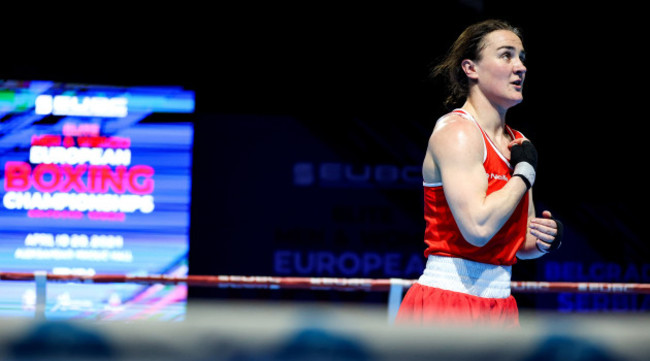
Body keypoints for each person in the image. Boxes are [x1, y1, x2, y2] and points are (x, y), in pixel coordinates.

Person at [395, 19, 563, 327]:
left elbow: (519, 243)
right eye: (506, 55)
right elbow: (478, 228)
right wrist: (523, 176)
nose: (520, 67)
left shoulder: (519, 143)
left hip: (501, 305)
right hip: (445, 302)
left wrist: (543, 240)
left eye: (521, 57)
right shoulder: (457, 132)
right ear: (471, 68)